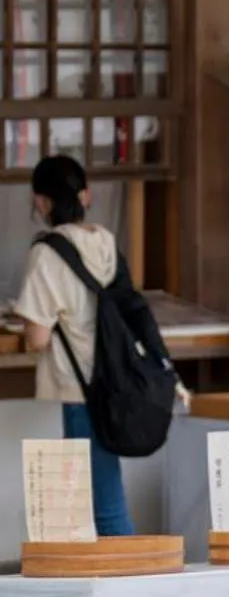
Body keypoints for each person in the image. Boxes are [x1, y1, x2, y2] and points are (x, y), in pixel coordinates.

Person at [16, 155, 135, 536]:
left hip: (80, 387)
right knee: (103, 496)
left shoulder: (48, 253)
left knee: (103, 504)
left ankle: (127, 570)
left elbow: (37, 338)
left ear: (42, 202)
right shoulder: (105, 240)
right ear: (86, 195)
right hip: (114, 379)